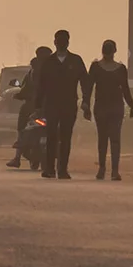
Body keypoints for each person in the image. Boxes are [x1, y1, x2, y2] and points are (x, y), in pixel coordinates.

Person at [36, 29, 88, 179]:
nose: (61, 43)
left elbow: (85, 81)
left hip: (69, 104)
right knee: (51, 136)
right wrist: (38, 106)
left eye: (64, 40)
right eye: (59, 40)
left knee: (66, 137)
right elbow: (41, 85)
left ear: (68, 42)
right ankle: (50, 169)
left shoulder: (76, 61)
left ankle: (63, 169)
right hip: (51, 105)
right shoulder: (48, 62)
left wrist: (85, 100)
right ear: (55, 42)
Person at [83, 38, 133, 181]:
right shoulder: (120, 69)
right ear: (115, 51)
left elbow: (88, 88)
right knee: (115, 139)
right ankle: (114, 171)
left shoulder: (96, 67)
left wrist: (86, 104)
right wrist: (131, 105)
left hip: (102, 107)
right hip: (115, 107)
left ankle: (102, 169)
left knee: (103, 139)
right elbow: (125, 90)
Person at [6, 46, 51, 169]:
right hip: (49, 107)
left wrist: (19, 95)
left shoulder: (33, 72)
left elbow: (25, 89)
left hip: (34, 106)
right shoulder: (53, 70)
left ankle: (17, 157)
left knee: (22, 127)